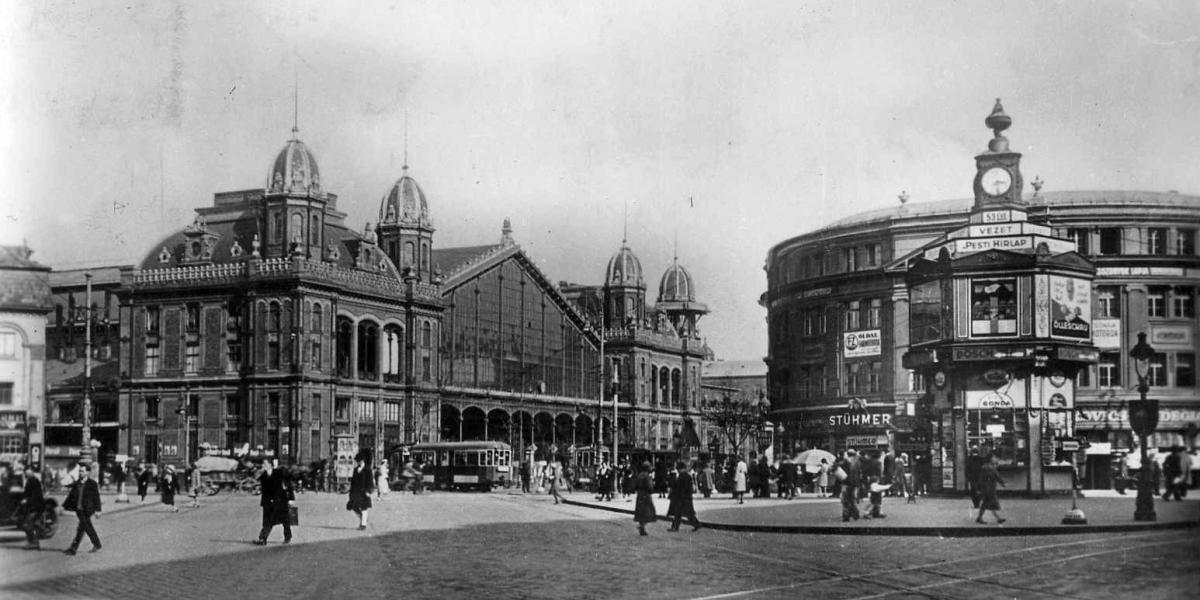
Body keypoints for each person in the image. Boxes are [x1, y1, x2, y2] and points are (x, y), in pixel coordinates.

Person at [253, 459, 295, 545]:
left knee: (285, 520)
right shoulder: (263, 475)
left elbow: (289, 484)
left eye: (265, 463)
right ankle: (263, 539)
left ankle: (288, 536)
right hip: (268, 501)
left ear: (270, 465)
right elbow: (259, 481)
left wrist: (291, 498)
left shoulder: (279, 473)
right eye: (263, 463)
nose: (263, 465)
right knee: (267, 521)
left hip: (280, 500)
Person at [64, 462, 102, 555]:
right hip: (78, 509)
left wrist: (98, 510)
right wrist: (64, 507)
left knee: (82, 528)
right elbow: (71, 495)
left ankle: (73, 548)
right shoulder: (77, 483)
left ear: (87, 472)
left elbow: (96, 497)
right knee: (85, 527)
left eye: (82, 471)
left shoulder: (92, 484)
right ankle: (97, 544)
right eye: (79, 471)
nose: (80, 473)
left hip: (88, 509)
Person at [666, 461, 701, 532]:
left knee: (680, 513)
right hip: (686, 498)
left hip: (682, 498)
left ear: (680, 468)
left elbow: (680, 487)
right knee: (685, 513)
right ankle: (696, 524)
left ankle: (676, 527)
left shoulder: (683, 476)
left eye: (678, 469)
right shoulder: (687, 476)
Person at [975, 453, 1006, 524]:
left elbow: (981, 479)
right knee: (990, 503)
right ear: (990, 459)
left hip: (985, 488)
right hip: (989, 488)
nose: (995, 458)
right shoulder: (990, 468)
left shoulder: (986, 466)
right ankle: (997, 518)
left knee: (986, 503)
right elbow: (997, 476)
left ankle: (980, 518)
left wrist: (978, 488)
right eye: (994, 457)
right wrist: (1003, 483)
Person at [347, 453, 374, 530]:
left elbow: (370, 481)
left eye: (359, 461)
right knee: (353, 506)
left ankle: (363, 524)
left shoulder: (368, 469)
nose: (358, 462)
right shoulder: (355, 470)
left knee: (364, 507)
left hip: (364, 491)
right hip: (356, 491)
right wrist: (351, 492)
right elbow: (353, 482)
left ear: (362, 460)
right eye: (357, 461)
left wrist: (369, 491)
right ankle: (362, 518)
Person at [20, 466, 45, 550]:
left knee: (26, 524)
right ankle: (35, 543)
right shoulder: (31, 480)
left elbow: (35, 495)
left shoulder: (34, 481)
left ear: (32, 472)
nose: (27, 474)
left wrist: (26, 500)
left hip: (35, 507)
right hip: (35, 507)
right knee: (34, 524)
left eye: (28, 472)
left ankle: (33, 542)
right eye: (26, 473)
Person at [633, 461, 656, 536]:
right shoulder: (647, 476)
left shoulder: (639, 475)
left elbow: (635, 485)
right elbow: (650, 487)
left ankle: (642, 528)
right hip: (646, 495)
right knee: (648, 512)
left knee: (641, 512)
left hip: (640, 495)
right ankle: (642, 527)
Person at [839, 449, 862, 522]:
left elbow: (838, 468)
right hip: (854, 483)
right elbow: (859, 474)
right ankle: (855, 514)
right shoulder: (857, 462)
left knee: (845, 500)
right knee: (852, 499)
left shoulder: (845, 462)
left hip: (846, 483)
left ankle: (846, 515)